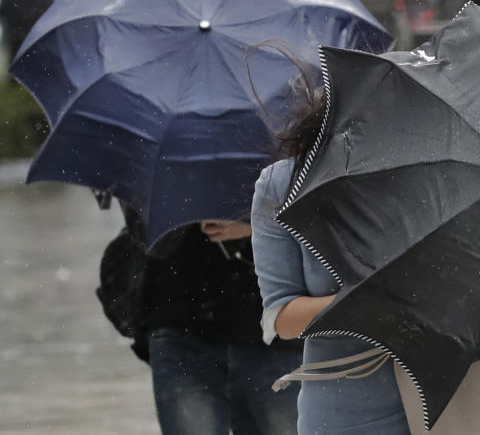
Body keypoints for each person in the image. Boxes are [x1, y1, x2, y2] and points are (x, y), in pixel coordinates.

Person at [250, 73, 409, 434]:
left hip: (441, 397)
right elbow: (282, 317)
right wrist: (366, 301)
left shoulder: (427, 178)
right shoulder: (282, 185)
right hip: (344, 411)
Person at [96, 198, 301, 435]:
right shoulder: (157, 165)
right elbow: (145, 232)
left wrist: (257, 223)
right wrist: (186, 207)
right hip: (180, 324)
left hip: (274, 329)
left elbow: (328, 213)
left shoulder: (294, 165)